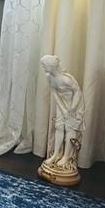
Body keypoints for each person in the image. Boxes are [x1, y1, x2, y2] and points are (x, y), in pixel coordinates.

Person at [37, 54, 85, 186]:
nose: (43, 68)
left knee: (70, 130)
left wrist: (71, 109)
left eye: (44, 66)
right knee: (59, 127)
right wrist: (63, 109)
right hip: (62, 104)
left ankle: (66, 157)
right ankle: (56, 154)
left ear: (51, 66)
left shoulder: (66, 80)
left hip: (74, 105)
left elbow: (78, 93)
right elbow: (54, 93)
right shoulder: (49, 77)